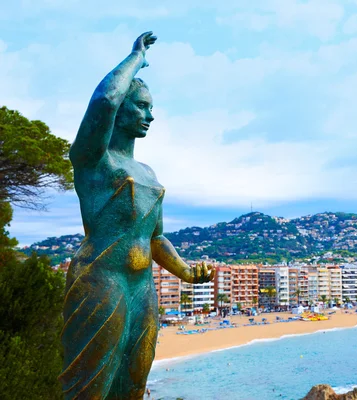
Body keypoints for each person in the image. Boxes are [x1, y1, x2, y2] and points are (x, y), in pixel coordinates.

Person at [59, 32, 214, 399]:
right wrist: (136, 58)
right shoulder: (94, 159)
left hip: (142, 287)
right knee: (90, 383)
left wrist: (187, 272)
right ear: (123, 110)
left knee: (133, 381)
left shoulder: (147, 172)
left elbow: (155, 237)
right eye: (142, 106)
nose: (151, 115)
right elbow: (105, 100)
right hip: (102, 279)